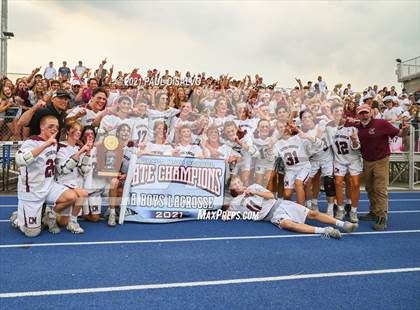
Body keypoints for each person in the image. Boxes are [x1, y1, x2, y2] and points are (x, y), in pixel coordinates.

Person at [10, 115, 79, 236]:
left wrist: (81, 152)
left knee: (71, 196)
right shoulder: (32, 141)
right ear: (42, 127)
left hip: (48, 186)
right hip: (32, 191)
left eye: (56, 127)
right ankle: (17, 218)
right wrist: (45, 145)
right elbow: (20, 160)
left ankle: (48, 213)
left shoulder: (54, 144)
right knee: (32, 233)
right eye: (50, 126)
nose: (54, 129)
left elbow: (64, 169)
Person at [227, 176, 358, 239]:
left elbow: (271, 195)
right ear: (231, 189)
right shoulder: (235, 202)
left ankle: (343, 224)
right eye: (234, 184)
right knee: (288, 225)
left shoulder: (254, 187)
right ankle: (325, 230)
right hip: (272, 216)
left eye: (238, 182)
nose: (238, 185)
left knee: (312, 214)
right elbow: (227, 215)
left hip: (279, 204)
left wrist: (254, 192)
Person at [355, 104, 410, 230]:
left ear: (371, 113)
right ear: (358, 115)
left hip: (381, 160)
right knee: (370, 188)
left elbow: (400, 134)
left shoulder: (381, 123)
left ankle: (382, 216)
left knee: (380, 188)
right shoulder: (357, 127)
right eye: (361, 113)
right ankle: (374, 211)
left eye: (366, 113)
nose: (364, 116)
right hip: (367, 160)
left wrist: (406, 130)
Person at [325, 102, 361, 223]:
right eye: (336, 113)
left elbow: (357, 147)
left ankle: (353, 210)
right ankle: (340, 209)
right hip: (339, 160)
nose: (339, 116)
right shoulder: (329, 128)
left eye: (341, 113)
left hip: (353, 160)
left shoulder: (352, 128)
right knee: (338, 183)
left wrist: (355, 141)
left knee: (355, 184)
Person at [55, 122, 92, 233]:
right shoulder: (60, 146)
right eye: (75, 129)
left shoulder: (77, 148)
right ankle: (50, 212)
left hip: (74, 184)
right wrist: (81, 151)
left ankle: (73, 222)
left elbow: (83, 170)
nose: (78, 132)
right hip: (61, 184)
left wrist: (88, 153)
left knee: (83, 193)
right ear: (67, 131)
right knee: (62, 222)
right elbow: (64, 170)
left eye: (80, 130)